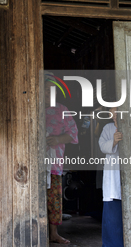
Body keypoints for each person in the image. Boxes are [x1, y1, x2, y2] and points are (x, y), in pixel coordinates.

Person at [45, 72, 78, 244]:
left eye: (52, 90)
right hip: (32, 164)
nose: (49, 94)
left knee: (54, 199)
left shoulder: (62, 110)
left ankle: (53, 233)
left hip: (54, 164)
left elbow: (73, 134)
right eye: (46, 90)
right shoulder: (31, 109)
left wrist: (57, 139)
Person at [98, 107, 124, 247]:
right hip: (113, 180)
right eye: (112, 112)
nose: (114, 115)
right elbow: (102, 146)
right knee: (113, 217)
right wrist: (113, 141)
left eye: (117, 112)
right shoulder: (108, 128)